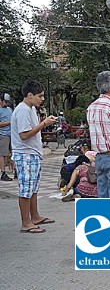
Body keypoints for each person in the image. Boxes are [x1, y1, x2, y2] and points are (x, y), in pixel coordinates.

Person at [11, 80, 58, 233]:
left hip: (32, 153)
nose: (42, 99)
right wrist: (43, 124)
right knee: (26, 189)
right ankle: (26, 222)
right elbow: (24, 135)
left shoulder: (30, 108)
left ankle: (35, 216)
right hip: (24, 154)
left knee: (33, 187)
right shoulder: (23, 110)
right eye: (40, 96)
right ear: (29, 95)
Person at [0, 92, 13, 181]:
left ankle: (15, 171)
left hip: (11, 134)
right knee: (3, 154)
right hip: (3, 134)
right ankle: (3, 172)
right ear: (1, 101)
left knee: (12, 153)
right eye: (5, 102)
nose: (7, 103)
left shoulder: (9, 109)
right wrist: (9, 122)